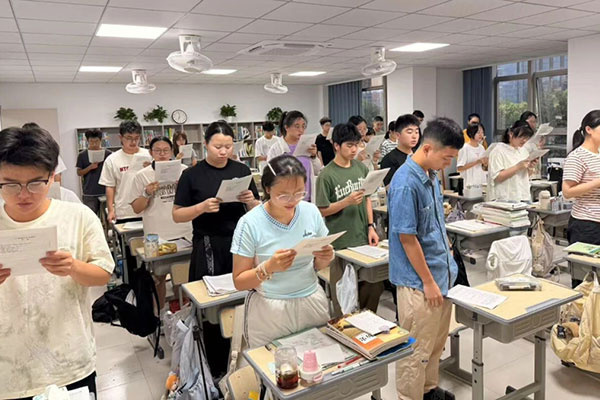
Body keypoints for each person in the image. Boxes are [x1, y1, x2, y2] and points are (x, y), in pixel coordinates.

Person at [0, 126, 114, 399]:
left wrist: (73, 267)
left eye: (35, 183)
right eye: (10, 184)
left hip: (69, 364)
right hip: (8, 371)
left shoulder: (78, 217)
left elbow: (103, 274)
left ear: (52, 176)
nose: (23, 194)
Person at [173, 121, 260, 378]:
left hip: (240, 244)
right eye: (217, 146)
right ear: (206, 144)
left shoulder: (241, 170)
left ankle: (243, 361)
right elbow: (177, 214)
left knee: (243, 300)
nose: (223, 151)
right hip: (208, 245)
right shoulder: (192, 175)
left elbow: (257, 209)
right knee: (212, 308)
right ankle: (215, 369)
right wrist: (201, 207)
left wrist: (251, 201)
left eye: (228, 146)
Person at [388, 117, 464, 400]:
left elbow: (434, 226)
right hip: (419, 283)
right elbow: (407, 239)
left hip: (440, 276)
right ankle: (410, 396)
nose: (448, 164)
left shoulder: (430, 175)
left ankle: (429, 390)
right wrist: (429, 282)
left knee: (435, 344)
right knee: (415, 350)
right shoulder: (406, 183)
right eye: (447, 158)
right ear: (428, 148)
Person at [231, 155, 333, 347]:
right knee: (273, 363)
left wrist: (325, 257)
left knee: (318, 360)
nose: (292, 201)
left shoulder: (310, 212)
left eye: (299, 193)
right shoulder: (250, 223)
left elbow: (318, 265)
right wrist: (268, 267)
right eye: (283, 195)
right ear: (267, 188)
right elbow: (239, 281)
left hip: (311, 300)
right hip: (271, 308)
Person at [316, 123, 381, 317]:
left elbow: (367, 199)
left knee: (373, 285)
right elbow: (322, 210)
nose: (354, 150)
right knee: (343, 297)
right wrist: (346, 202)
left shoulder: (361, 168)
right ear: (336, 146)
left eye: (357, 145)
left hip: (362, 237)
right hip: (340, 243)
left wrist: (371, 226)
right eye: (349, 145)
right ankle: (346, 328)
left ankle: (367, 323)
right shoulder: (326, 175)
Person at [129, 137, 192, 310]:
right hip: (157, 235)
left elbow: (195, 201)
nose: (162, 154)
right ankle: (160, 315)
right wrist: (147, 193)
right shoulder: (142, 175)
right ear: (151, 153)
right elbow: (136, 208)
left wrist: (184, 189)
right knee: (158, 278)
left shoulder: (184, 171)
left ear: (172, 151)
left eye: (166, 150)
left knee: (184, 277)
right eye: (158, 150)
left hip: (184, 232)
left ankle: (184, 315)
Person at [562, 110, 600, 288]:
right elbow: (567, 192)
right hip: (586, 225)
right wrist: (597, 182)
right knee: (585, 281)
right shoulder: (577, 157)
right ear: (589, 130)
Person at [99, 120, 150, 223]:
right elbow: (110, 187)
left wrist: (151, 168)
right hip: (124, 212)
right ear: (120, 137)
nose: (133, 142)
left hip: (148, 210)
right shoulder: (112, 159)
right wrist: (111, 210)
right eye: (129, 138)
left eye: (136, 138)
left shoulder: (149, 155)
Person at [267, 111, 322, 202]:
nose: (301, 130)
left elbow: (317, 170)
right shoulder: (276, 149)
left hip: (307, 198)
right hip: (286, 199)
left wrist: (313, 156)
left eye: (303, 126)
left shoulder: (307, 145)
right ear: (286, 127)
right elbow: (270, 176)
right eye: (297, 126)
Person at [487, 122, 536, 202]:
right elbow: (497, 177)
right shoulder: (498, 151)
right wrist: (517, 167)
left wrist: (530, 167)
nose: (524, 140)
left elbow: (525, 175)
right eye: (522, 137)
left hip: (523, 196)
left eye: (526, 137)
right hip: (506, 198)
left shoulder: (523, 150)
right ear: (511, 134)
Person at [76, 129, 112, 214]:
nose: (94, 144)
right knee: (90, 215)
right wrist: (90, 167)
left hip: (105, 190)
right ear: (87, 141)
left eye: (96, 141)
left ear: (100, 140)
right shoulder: (82, 155)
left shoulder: (108, 154)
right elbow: (79, 172)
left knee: (108, 216)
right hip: (89, 192)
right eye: (91, 142)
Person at [381, 114, 420, 187]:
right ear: (398, 135)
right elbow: (390, 188)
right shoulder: (389, 159)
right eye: (409, 132)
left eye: (417, 132)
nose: (414, 136)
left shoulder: (418, 155)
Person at [457, 123, 488, 189]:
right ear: (471, 133)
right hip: (469, 183)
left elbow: (483, 167)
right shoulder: (464, 148)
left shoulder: (481, 148)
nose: (481, 135)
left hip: (481, 181)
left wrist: (485, 163)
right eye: (478, 132)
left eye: (482, 132)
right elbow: (460, 168)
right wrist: (477, 162)